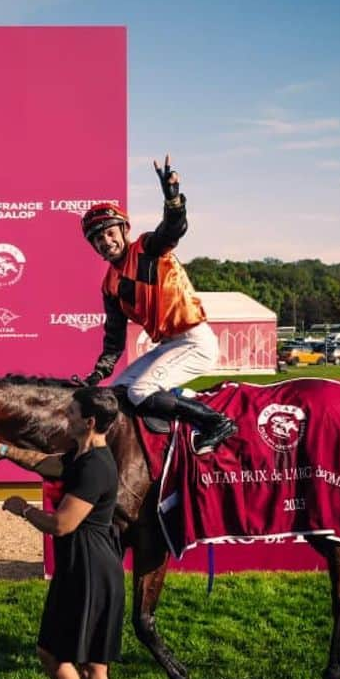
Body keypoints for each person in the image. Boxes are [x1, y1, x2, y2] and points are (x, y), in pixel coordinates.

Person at [0, 385, 123, 679]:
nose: (67, 417)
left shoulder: (96, 467)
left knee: (94, 664)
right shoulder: (80, 455)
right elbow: (47, 463)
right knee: (51, 652)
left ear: (89, 422)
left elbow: (62, 524)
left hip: (94, 570)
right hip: (75, 568)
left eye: (73, 413)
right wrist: (2, 451)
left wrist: (22, 510)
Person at [80, 154, 236, 456]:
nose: (105, 241)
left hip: (194, 341)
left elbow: (173, 228)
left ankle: (217, 422)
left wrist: (173, 199)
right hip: (167, 346)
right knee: (117, 393)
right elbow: (113, 342)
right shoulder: (109, 285)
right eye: (97, 239)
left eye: (110, 233)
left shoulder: (148, 248)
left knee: (140, 391)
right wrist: (97, 375)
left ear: (124, 230)